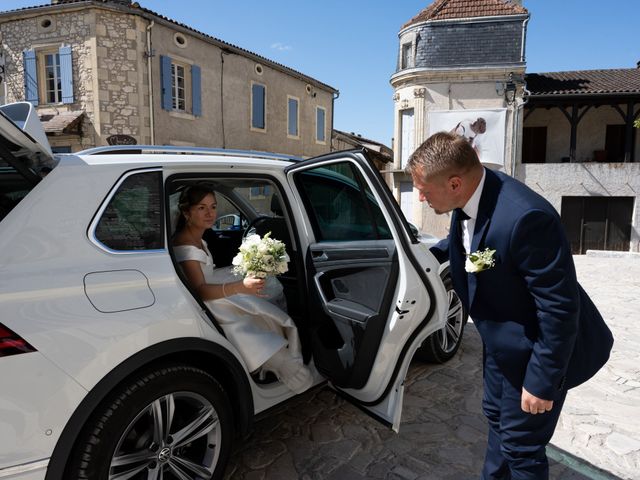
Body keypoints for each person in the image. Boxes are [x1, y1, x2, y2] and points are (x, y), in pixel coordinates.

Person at [406, 132, 613, 479]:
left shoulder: (527, 218)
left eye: (424, 189)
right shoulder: (472, 195)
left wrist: (542, 381)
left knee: (522, 446)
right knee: (498, 422)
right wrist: (421, 255)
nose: (420, 196)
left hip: (536, 353)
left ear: (455, 183)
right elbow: (468, 243)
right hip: (503, 348)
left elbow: (559, 308)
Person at [172, 184, 313, 394]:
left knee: (260, 288)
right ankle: (276, 360)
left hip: (210, 285)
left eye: (213, 206)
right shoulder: (185, 245)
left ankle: (273, 350)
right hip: (205, 299)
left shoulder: (196, 237)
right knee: (249, 308)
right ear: (186, 212)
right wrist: (240, 287)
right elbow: (201, 290)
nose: (210, 213)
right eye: (201, 208)